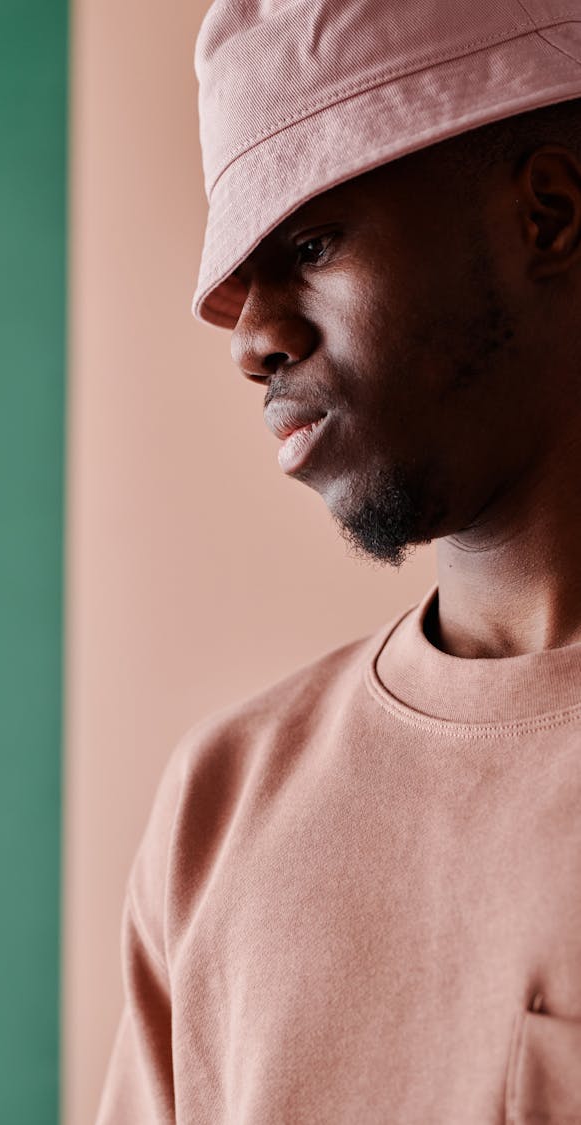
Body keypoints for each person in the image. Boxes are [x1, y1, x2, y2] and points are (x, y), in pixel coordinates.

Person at [96, 1, 581, 1121]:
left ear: (550, 214)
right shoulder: (219, 807)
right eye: (242, 278)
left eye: (310, 245)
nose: (251, 339)